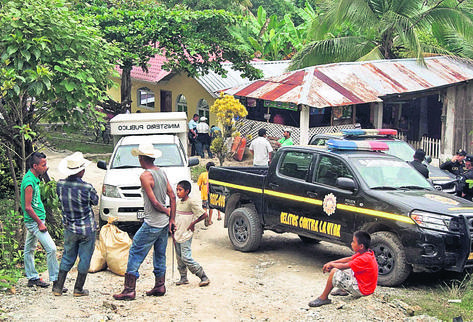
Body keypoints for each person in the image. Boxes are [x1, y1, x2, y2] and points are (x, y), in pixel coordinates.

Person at [113, 142, 176, 301]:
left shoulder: (145, 176)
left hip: (153, 222)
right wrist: (171, 218)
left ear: (142, 158)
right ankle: (160, 285)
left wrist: (166, 211)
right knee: (160, 253)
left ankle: (129, 289)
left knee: (135, 250)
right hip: (163, 223)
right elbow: (173, 196)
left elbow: (154, 202)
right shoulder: (161, 172)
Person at [53, 152, 99, 297]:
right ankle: (78, 289)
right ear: (80, 171)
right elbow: (95, 201)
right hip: (86, 228)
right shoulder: (87, 187)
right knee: (85, 257)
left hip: (69, 227)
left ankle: (58, 288)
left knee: (67, 255)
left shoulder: (60, 184)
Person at [21, 152, 60, 289]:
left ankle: (32, 277)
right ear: (35, 165)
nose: (46, 167)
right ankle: (56, 281)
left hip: (36, 220)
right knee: (52, 249)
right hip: (34, 222)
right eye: (43, 165)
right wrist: (40, 223)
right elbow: (27, 207)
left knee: (29, 249)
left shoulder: (34, 178)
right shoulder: (29, 182)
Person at [308, 231, 378, 308]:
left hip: (363, 290)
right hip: (367, 286)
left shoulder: (364, 258)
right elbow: (349, 259)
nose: (351, 244)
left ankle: (323, 298)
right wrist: (332, 262)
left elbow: (343, 266)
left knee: (334, 271)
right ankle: (343, 290)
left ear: (361, 246)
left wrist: (331, 265)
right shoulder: (366, 253)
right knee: (347, 269)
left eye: (353, 242)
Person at [173, 180, 210, 287]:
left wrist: (193, 223)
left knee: (186, 257)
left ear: (187, 191)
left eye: (180, 190)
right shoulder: (179, 202)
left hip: (186, 234)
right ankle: (183, 278)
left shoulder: (191, 202)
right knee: (179, 257)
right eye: (177, 190)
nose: (178, 192)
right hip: (178, 233)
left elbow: (204, 215)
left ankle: (203, 276)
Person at [197, 161, 221, 226]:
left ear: (206, 168)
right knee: (211, 207)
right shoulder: (214, 175)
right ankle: (209, 220)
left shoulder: (202, 174)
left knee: (204, 207)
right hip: (212, 193)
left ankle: (205, 217)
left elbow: (199, 184)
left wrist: (200, 189)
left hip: (204, 194)